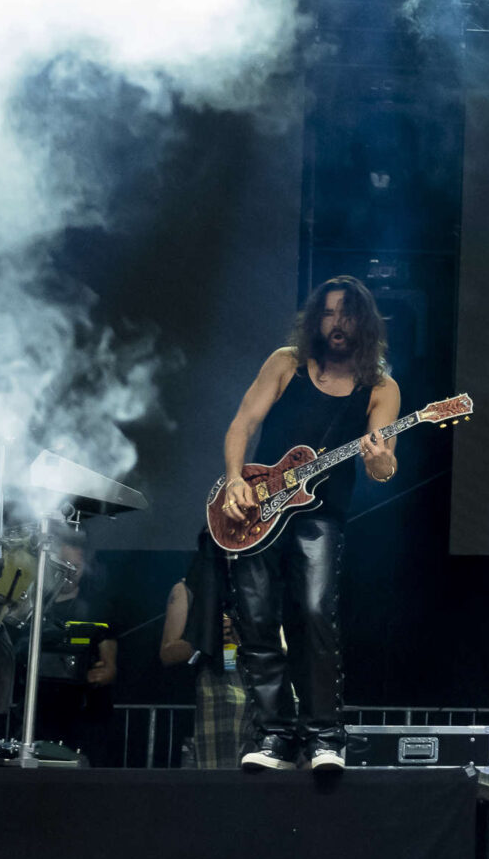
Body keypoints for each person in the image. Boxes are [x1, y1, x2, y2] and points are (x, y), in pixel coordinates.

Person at [218, 276, 398, 772]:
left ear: (363, 323)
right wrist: (234, 479)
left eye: (347, 314)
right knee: (254, 619)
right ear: (316, 318)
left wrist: (380, 461)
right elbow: (242, 424)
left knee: (315, 615)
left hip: (320, 517)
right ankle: (274, 735)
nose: (337, 324)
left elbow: (383, 466)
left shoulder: (379, 387)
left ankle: (325, 737)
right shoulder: (286, 363)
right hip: (257, 507)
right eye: (329, 313)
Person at [158, 528, 247, 770]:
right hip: (213, 687)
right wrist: (209, 636)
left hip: (253, 685)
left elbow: (282, 644)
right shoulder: (185, 590)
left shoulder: (253, 588)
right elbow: (167, 652)